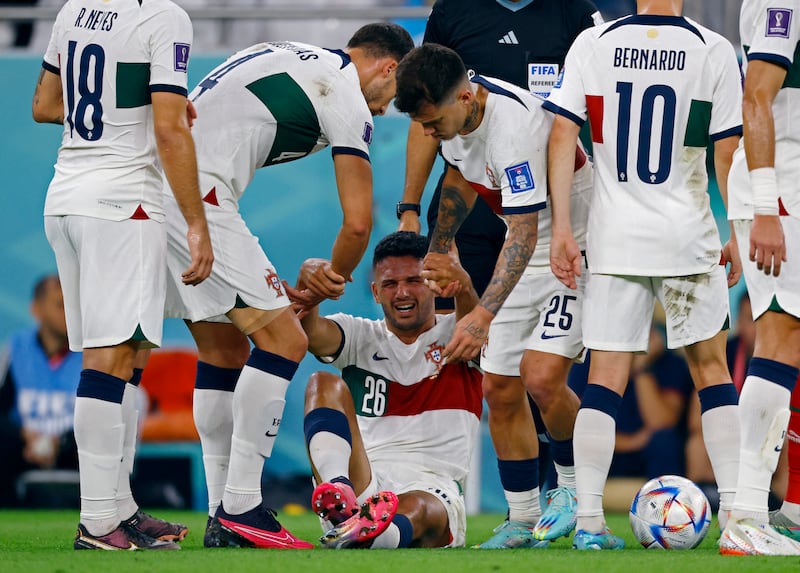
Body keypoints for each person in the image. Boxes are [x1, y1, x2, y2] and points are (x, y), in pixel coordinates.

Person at [162, 23, 414, 549]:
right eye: (395, 92)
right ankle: (243, 508)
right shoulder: (344, 89)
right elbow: (358, 225)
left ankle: (219, 513)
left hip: (161, 188)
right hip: (198, 199)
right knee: (286, 340)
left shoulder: (291, 53)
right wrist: (326, 284)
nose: (389, 108)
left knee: (222, 348)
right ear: (387, 67)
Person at [397, 0, 603, 548]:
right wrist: (439, 250)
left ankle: (577, 499)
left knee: (540, 377)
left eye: (433, 122)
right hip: (525, 243)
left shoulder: (513, 129)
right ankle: (519, 519)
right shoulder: (460, 113)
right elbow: (462, 180)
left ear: (465, 98)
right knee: (500, 387)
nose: (432, 133)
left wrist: (482, 314)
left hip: (571, 249)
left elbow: (526, 234)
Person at [544, 0, 743, 550]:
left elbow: (562, 136)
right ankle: (736, 520)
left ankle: (588, 523)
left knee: (604, 379)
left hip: (614, 240)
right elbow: (725, 151)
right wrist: (742, 229)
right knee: (713, 372)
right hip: (688, 237)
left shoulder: (595, 43)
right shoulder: (712, 49)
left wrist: (563, 226)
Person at [32, 0, 214, 551]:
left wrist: (119, 104)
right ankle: (96, 521)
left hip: (67, 197)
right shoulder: (165, 17)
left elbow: (45, 105)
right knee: (110, 357)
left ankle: (121, 508)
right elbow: (168, 130)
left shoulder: (74, 9)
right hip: (123, 203)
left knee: (128, 353)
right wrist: (197, 222)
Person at [288, 231, 483, 549]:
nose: (402, 292)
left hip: (432, 483)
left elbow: (477, 332)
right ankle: (341, 496)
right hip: (361, 481)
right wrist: (308, 284)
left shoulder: (459, 333)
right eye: (390, 284)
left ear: (434, 284)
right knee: (321, 383)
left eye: (414, 280)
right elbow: (308, 332)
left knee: (422, 508)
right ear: (375, 292)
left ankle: (370, 536)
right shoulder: (359, 335)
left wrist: (463, 288)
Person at [720, 0, 800, 555]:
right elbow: (755, 96)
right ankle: (748, 513)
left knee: (789, 339)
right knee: (780, 337)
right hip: (783, 188)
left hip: (785, 188)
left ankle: (771, 510)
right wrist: (767, 204)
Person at [0, 275, 81, 507]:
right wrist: (24, 436)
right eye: (61, 305)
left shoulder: (93, 352)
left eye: (75, 305)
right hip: (22, 454)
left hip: (74, 455)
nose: (71, 314)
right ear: (36, 309)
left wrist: (61, 442)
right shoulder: (15, 349)